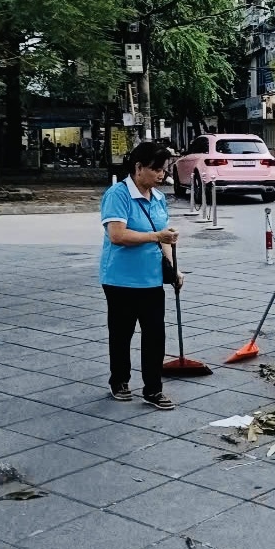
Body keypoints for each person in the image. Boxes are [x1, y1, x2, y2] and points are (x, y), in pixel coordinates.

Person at [99, 142, 182, 410]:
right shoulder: (118, 194)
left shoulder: (158, 198)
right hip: (120, 279)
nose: (162, 175)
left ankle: (153, 389)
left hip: (151, 279)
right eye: (156, 169)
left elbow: (165, 239)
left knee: (155, 334)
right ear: (138, 167)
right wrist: (156, 236)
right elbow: (118, 235)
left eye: (164, 169)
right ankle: (120, 380)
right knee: (122, 333)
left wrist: (173, 269)